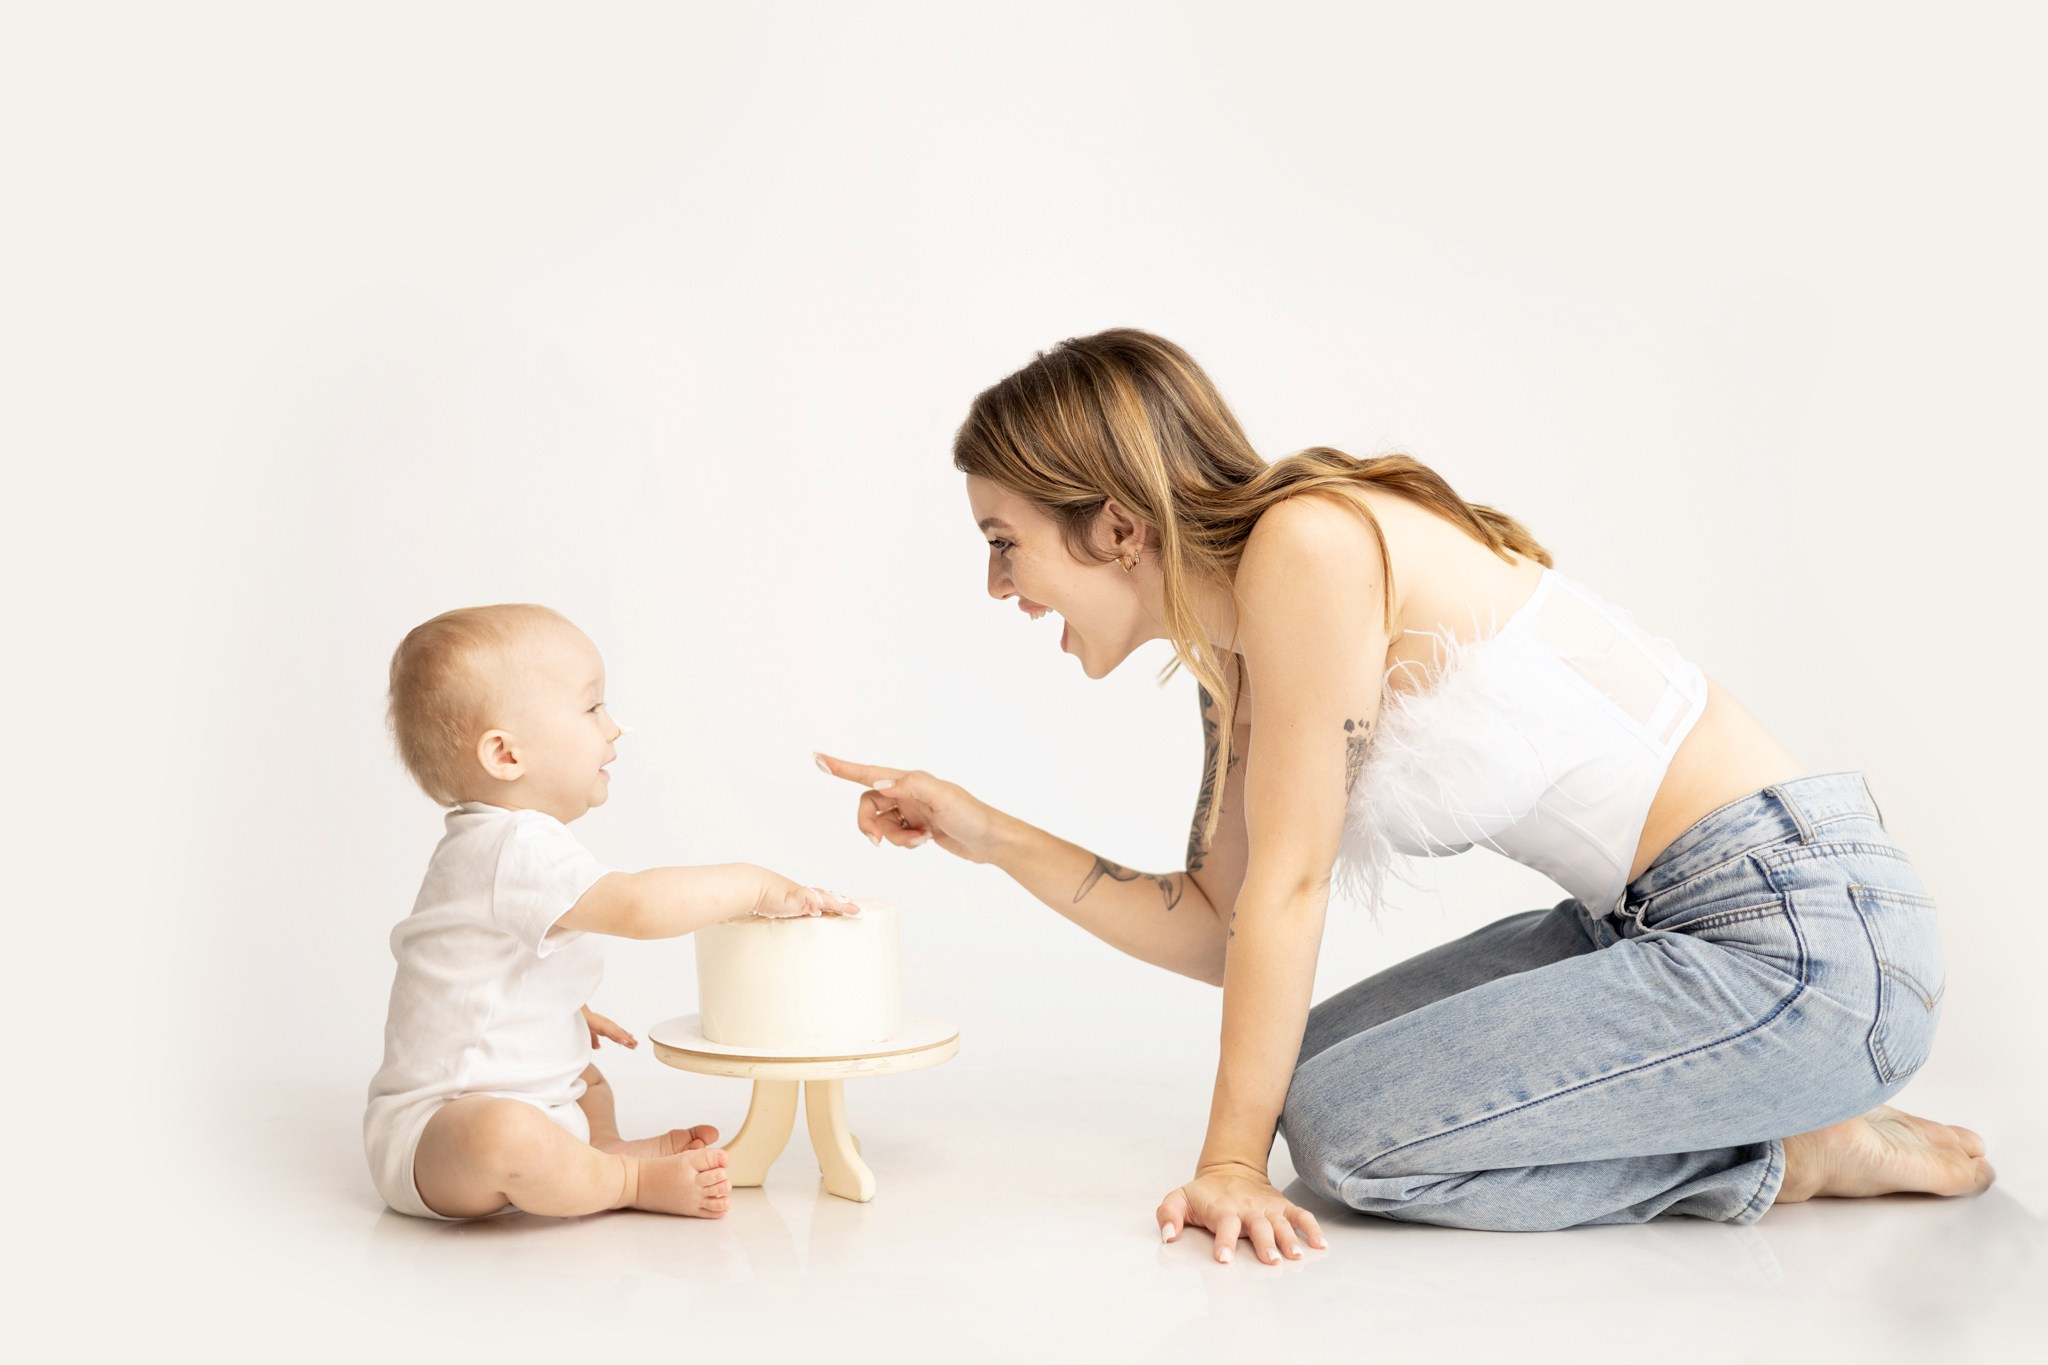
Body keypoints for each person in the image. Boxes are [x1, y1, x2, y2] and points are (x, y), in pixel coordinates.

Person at [815, 328, 1994, 1263]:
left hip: (1803, 945)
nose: (994, 583)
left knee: (1351, 1139)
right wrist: (983, 832)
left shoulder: (1306, 546)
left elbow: (1289, 884)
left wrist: (1227, 1166)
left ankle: (1796, 1152)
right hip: (1660, 928)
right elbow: (1221, 932)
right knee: (1314, 1074)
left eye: (1003, 541)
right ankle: (1781, 1122)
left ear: (1116, 526)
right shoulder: (1237, 659)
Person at [367, 603, 858, 1221]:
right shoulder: (513, 845)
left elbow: (480, 972)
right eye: (592, 707)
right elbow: (637, 907)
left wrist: (559, 1008)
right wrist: (754, 885)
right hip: (432, 1139)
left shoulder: (501, 845)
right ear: (506, 756)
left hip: (521, 1105)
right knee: (506, 1135)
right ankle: (625, 1180)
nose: (614, 727)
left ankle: (597, 1149)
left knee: (586, 1078)